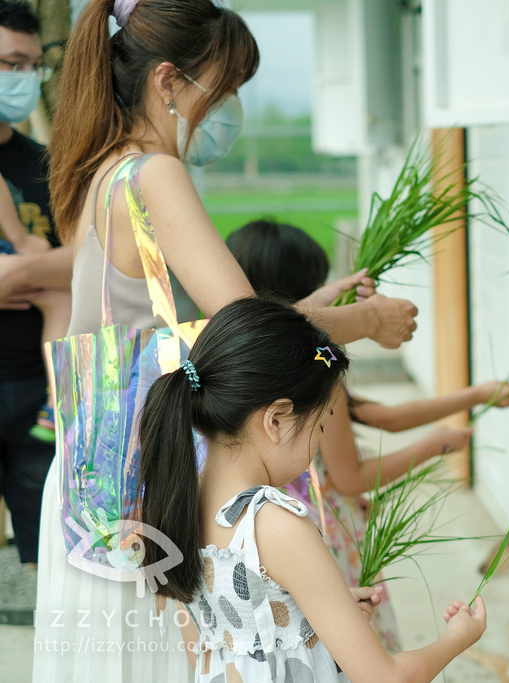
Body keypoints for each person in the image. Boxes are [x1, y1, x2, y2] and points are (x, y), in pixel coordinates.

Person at [33, 0, 418, 679]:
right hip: (150, 488)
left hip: (93, 483)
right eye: (226, 87)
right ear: (169, 82)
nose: (230, 108)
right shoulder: (157, 174)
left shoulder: (101, 171)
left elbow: (201, 323)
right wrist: (367, 323)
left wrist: (315, 308)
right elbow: (250, 334)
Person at [138, 297, 487, 683]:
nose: (318, 444)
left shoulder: (178, 505)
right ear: (275, 420)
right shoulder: (276, 525)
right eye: (319, 428)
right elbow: (387, 678)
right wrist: (457, 638)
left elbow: (214, 649)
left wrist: (315, 618)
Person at [227, 219, 509, 651]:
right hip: (324, 534)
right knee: (351, 645)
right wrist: (436, 445)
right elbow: (350, 477)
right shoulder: (308, 376)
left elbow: (378, 415)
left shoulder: (243, 373)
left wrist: (478, 395)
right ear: (295, 297)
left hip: (305, 529)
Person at [0, 0, 64, 570]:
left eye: (29, 66)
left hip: (35, 394)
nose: (20, 78)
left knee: (44, 556)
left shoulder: (48, 166)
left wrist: (22, 271)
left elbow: (88, 261)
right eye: (7, 63)